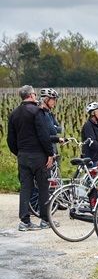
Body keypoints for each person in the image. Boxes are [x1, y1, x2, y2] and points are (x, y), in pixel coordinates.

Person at [7, 85, 56, 231]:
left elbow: (10, 139)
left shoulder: (14, 114)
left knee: (25, 188)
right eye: (35, 94)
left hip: (23, 155)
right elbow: (43, 135)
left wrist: (19, 152)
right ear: (31, 95)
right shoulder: (37, 112)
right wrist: (50, 154)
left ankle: (25, 221)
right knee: (43, 188)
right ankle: (45, 220)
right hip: (39, 156)